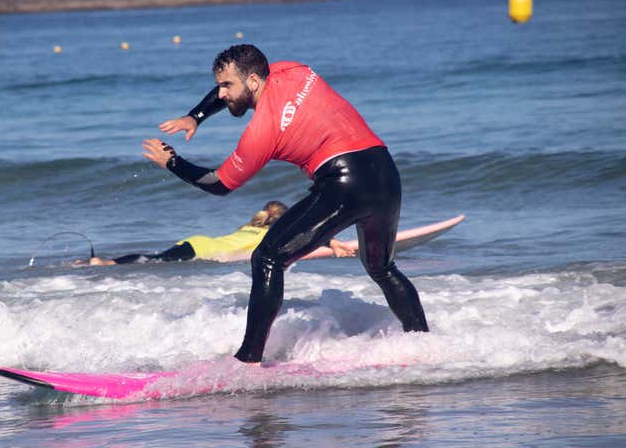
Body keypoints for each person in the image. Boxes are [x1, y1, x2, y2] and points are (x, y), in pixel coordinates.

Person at [143, 44, 429, 363]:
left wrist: (172, 163)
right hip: (385, 173)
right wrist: (195, 117)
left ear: (252, 81)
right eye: (219, 86)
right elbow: (236, 85)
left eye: (227, 86)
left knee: (267, 258)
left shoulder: (263, 129)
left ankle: (248, 359)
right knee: (382, 267)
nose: (221, 94)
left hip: (344, 183)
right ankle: (424, 344)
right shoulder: (292, 71)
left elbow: (220, 184)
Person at [86, 201, 355, 265]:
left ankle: (106, 262)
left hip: (197, 242)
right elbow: (303, 235)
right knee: (153, 260)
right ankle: (107, 263)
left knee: (155, 257)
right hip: (202, 250)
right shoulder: (268, 236)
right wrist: (332, 244)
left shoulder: (251, 228)